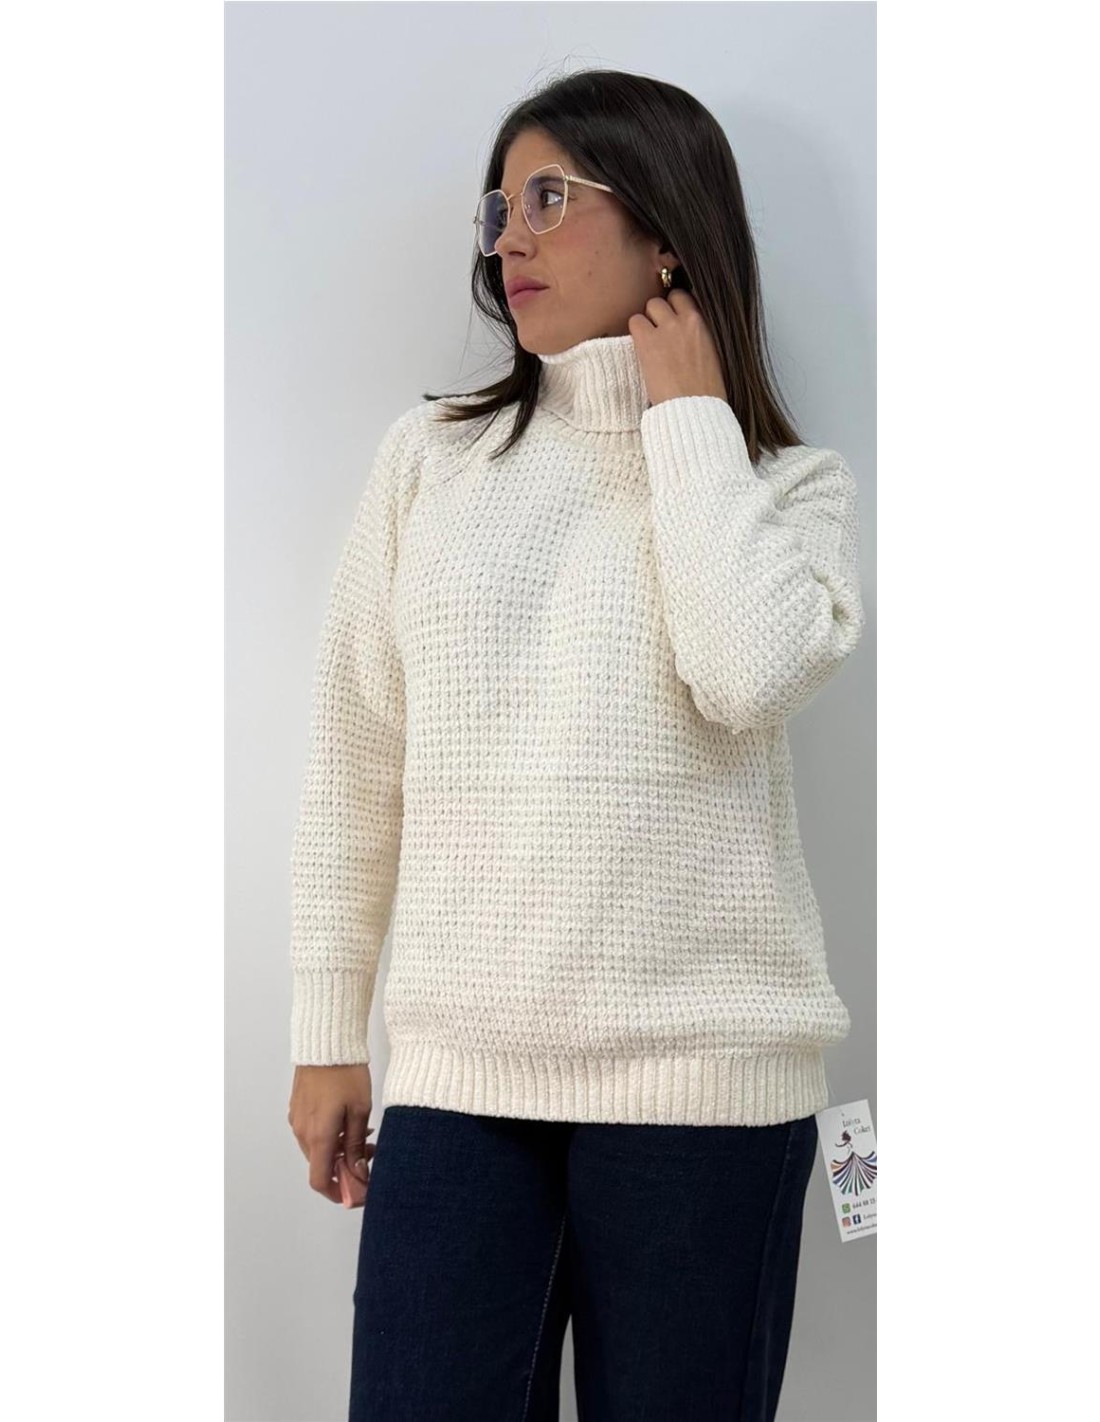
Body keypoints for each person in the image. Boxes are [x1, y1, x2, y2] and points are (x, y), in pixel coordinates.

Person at [286, 68, 865, 1422]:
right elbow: (355, 752)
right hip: (461, 1082)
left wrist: (688, 416)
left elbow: (746, 672)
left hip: (710, 1092)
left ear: (668, 229)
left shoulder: (788, 488)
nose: (510, 238)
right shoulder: (430, 460)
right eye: (498, 208)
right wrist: (325, 1032)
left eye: (549, 197)